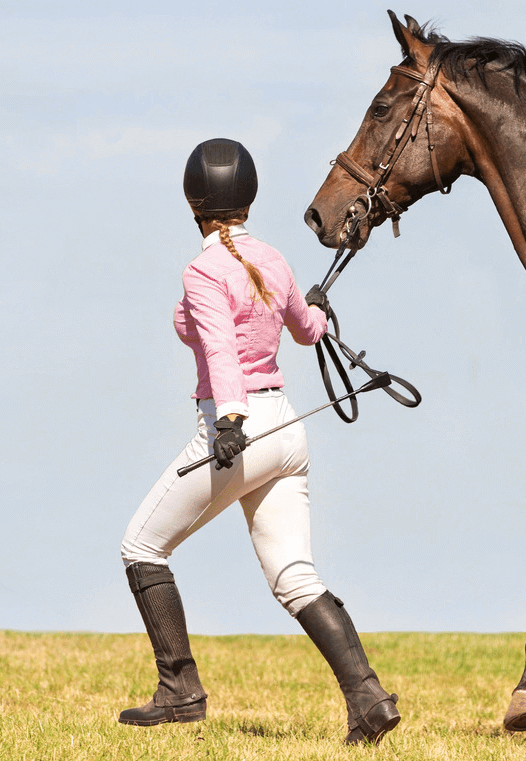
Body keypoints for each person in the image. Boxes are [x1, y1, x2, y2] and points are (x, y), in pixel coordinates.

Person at [117, 138, 402, 745]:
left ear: (192, 200)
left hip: (238, 430)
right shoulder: (272, 259)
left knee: (141, 546)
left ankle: (180, 691)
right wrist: (318, 312)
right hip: (286, 430)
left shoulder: (202, 270)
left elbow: (218, 351)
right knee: (295, 576)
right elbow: (306, 330)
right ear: (247, 196)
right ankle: (368, 698)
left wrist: (228, 421)